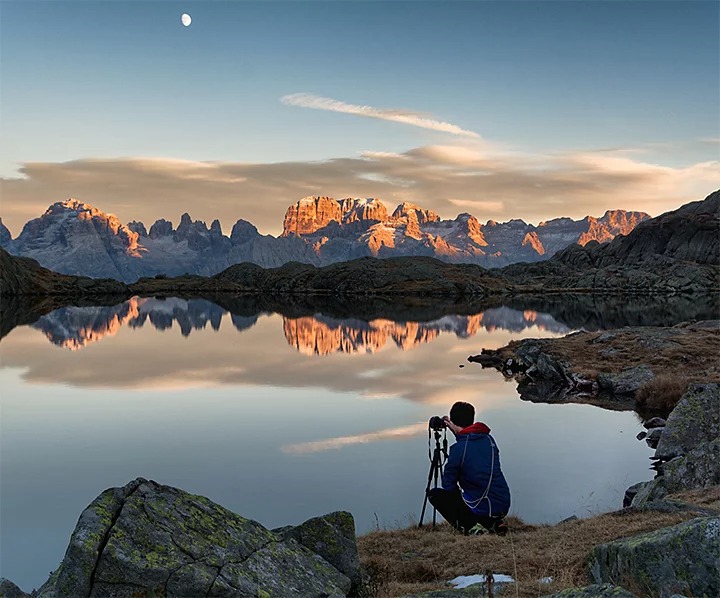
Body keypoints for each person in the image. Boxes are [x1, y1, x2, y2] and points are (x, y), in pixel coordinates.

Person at [428, 401, 511, 535]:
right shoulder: (488, 439)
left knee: (435, 495)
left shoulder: (457, 450)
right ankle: (494, 524)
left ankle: (472, 527)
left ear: (453, 420)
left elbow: (448, 485)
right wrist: (456, 430)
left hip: (482, 506)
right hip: (502, 504)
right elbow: (470, 447)